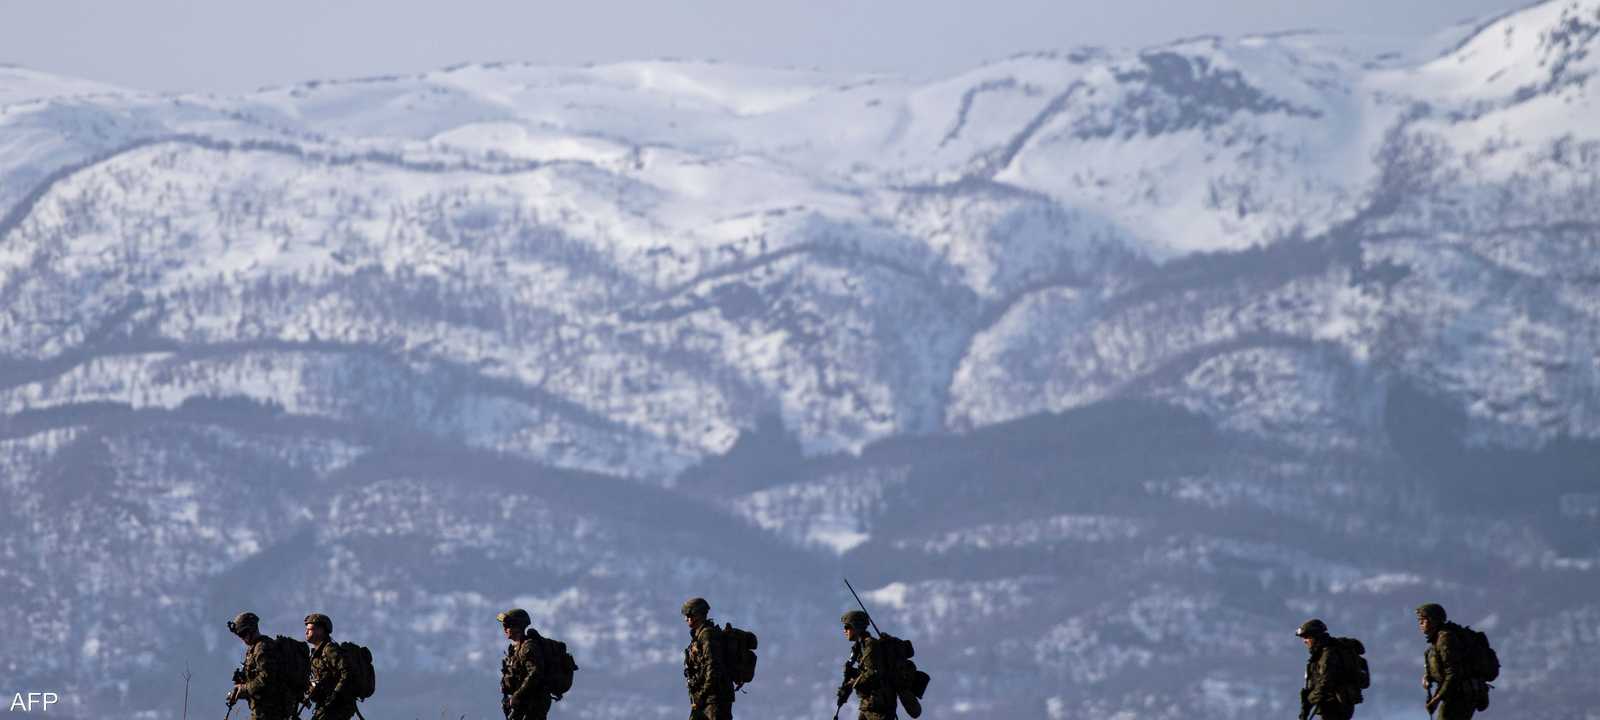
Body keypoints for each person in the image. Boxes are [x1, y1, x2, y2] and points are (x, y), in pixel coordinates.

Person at [226, 612, 296, 720]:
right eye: (239, 635)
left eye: (244, 634)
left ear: (252, 630)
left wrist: (244, 689)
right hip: (263, 711)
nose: (242, 638)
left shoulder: (263, 648)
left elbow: (266, 678)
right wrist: (240, 687)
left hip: (271, 711)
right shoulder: (253, 649)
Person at [1419, 603, 1477, 720]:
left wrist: (1437, 699)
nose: (1420, 624)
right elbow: (1444, 670)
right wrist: (1428, 677)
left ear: (1433, 621)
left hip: (1461, 696)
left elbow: (1453, 674)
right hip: (1456, 696)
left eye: (1423, 620)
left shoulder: (1445, 640)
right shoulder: (1438, 640)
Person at [837, 610, 898, 720]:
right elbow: (866, 671)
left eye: (847, 627)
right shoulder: (860, 646)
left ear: (856, 626)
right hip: (870, 705)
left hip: (879, 706)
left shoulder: (870, 645)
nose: (844, 630)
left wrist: (851, 683)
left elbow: (873, 673)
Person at [682, 597, 733, 720]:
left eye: (689, 614)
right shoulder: (699, 636)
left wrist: (702, 693)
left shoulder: (707, 635)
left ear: (698, 614)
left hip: (715, 699)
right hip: (706, 700)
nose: (686, 619)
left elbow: (713, 667)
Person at [498, 608, 553, 720]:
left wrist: (518, 695)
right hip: (523, 703)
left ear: (517, 626)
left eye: (508, 625)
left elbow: (535, 673)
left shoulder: (528, 647)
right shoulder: (516, 649)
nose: (505, 629)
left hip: (534, 701)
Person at [1297, 618, 1357, 720]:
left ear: (1315, 637)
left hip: (1336, 706)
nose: (1304, 641)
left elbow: (1325, 683)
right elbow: (1315, 684)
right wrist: (1305, 709)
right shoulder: (1318, 656)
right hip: (1332, 707)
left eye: (1306, 637)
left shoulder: (1328, 655)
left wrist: (1310, 699)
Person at [302, 613, 356, 720]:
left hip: (338, 706)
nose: (306, 632)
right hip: (326, 705)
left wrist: (335, 694)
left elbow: (347, 672)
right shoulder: (316, 653)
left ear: (320, 630)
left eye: (310, 629)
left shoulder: (330, 650)